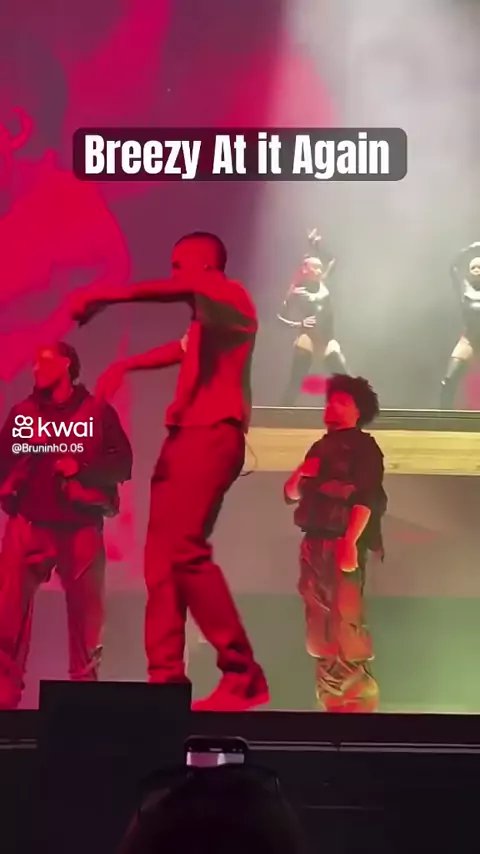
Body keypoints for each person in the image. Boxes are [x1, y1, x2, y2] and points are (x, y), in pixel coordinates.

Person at [68, 231, 269, 712]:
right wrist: (125, 365)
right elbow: (182, 348)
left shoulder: (232, 298)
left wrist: (106, 295)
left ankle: (242, 674)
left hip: (211, 434)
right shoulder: (207, 318)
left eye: (179, 265)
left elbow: (182, 290)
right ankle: (165, 680)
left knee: (184, 550)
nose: (174, 274)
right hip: (184, 438)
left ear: (205, 266)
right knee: (159, 560)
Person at [0, 342, 132, 709]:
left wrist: (82, 469)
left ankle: (83, 710)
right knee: (6, 621)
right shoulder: (24, 413)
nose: (35, 369)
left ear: (66, 365)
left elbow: (122, 464)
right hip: (29, 525)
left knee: (87, 628)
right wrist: (27, 454)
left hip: (80, 527)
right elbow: (2, 462)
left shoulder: (95, 413)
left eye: (43, 362)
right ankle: (4, 709)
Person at [284, 374, 386, 712]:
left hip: (341, 538)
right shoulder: (318, 448)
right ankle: (331, 694)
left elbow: (367, 496)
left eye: (341, 401)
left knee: (345, 615)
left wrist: (351, 541)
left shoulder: (364, 447)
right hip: (313, 541)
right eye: (330, 400)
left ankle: (355, 697)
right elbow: (291, 492)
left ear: (358, 411)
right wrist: (303, 471)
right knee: (317, 615)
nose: (331, 406)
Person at [278, 228, 348, 405]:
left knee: (346, 381)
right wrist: (298, 323)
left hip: (327, 340)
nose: (318, 271)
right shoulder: (295, 291)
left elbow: (333, 260)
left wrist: (317, 246)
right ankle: (282, 412)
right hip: (308, 339)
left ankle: (359, 411)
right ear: (305, 270)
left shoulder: (324, 283)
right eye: (315, 267)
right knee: (295, 382)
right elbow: (279, 318)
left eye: (320, 268)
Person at [440, 241, 480, 408]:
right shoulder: (465, 289)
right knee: (448, 381)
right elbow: (453, 267)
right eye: (473, 268)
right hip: (469, 340)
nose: (477, 270)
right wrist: (470, 249)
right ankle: (443, 417)